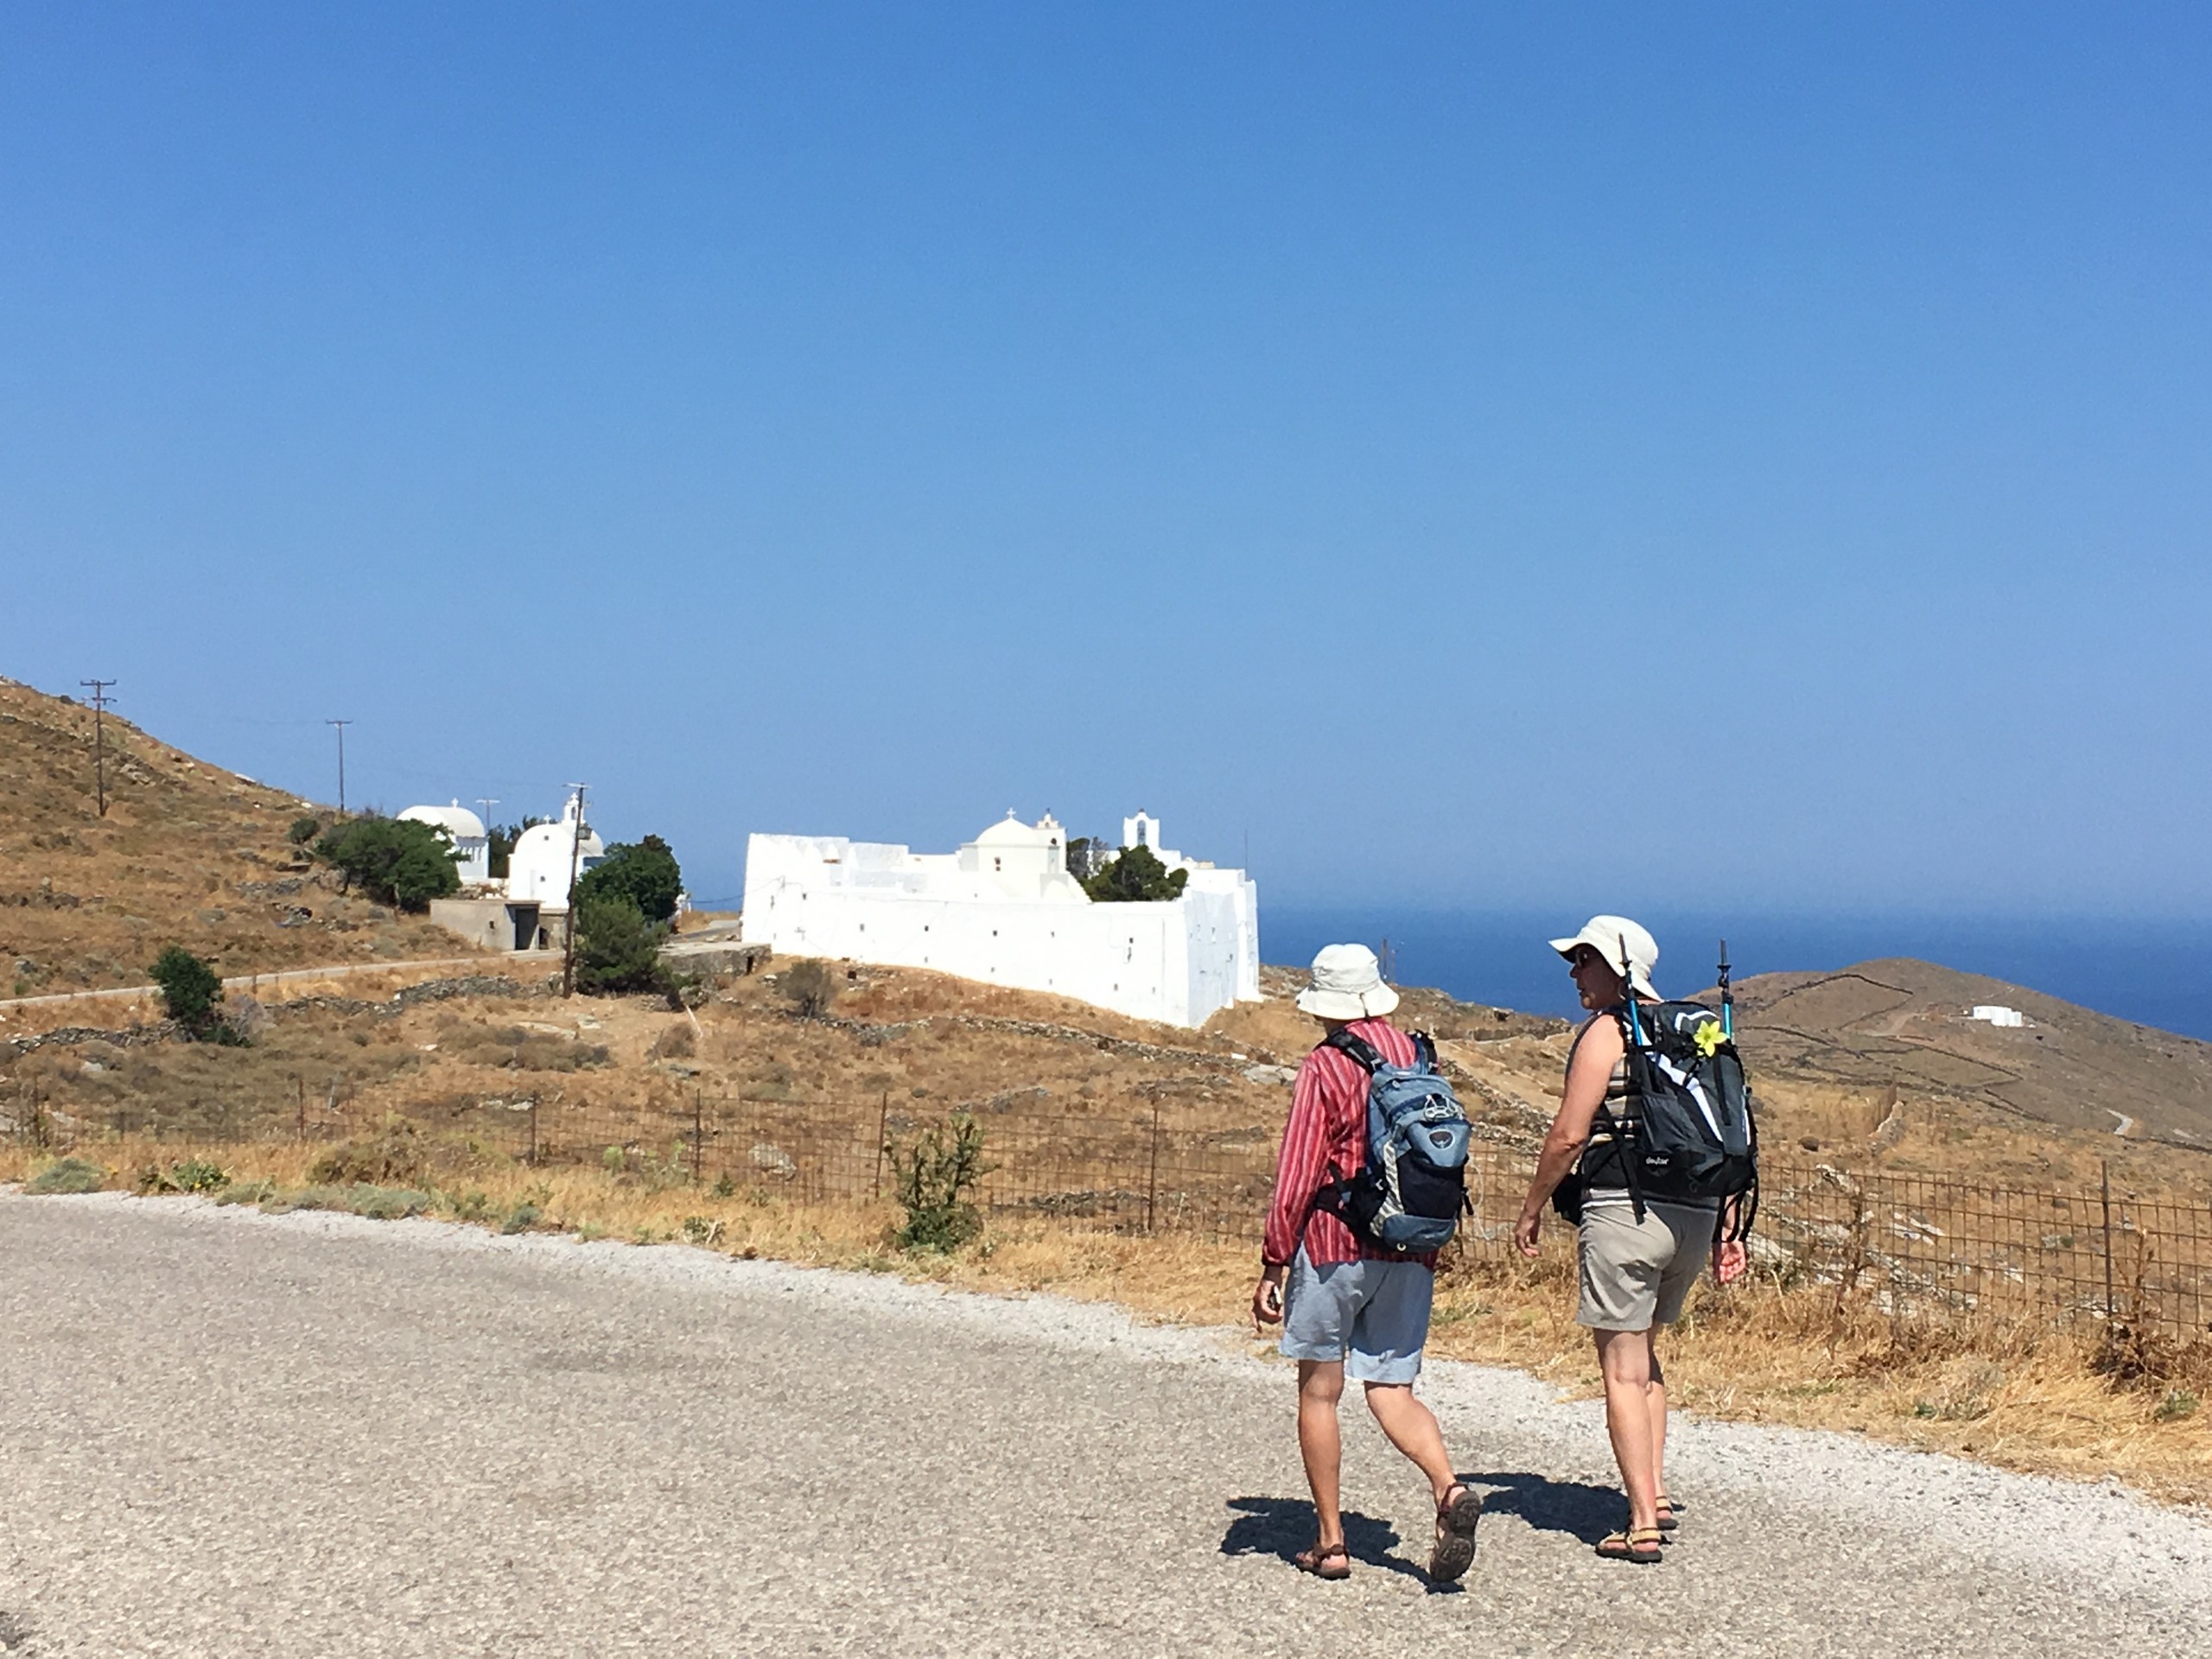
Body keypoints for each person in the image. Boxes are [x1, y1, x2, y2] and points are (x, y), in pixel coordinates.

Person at [1513, 916, 1746, 1564]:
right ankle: (1658, 1492)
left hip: (1625, 1213)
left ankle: (1641, 1521)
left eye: (1583, 960)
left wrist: (1531, 1209)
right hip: (1695, 1217)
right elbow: (1727, 1129)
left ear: (1617, 969)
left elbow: (1567, 1135)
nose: (1574, 973)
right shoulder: (1695, 1035)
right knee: (1646, 1359)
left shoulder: (1610, 1033)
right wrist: (1728, 1225)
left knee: (1620, 1367)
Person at [1252, 944, 1483, 1584]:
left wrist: (1274, 1260)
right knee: (1392, 1390)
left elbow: (1298, 1172)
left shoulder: (1325, 1066)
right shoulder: (1417, 1054)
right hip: (1411, 1246)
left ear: (1324, 1004)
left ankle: (1331, 1543)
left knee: (1320, 1392)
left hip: (1333, 1247)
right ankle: (1448, 1488)